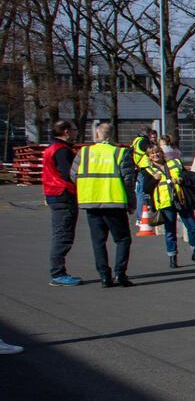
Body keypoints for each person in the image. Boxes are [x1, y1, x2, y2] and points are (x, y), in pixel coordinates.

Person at [75, 120, 138, 288]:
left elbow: (73, 174)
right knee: (123, 239)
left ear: (97, 134)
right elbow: (128, 181)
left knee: (98, 241)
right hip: (114, 202)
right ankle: (120, 273)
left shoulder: (84, 152)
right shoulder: (120, 153)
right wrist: (132, 203)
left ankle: (104, 276)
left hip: (91, 202)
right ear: (112, 136)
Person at [150, 137, 195, 268]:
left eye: (158, 152)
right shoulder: (149, 171)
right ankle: (172, 256)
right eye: (152, 153)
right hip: (165, 202)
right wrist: (153, 180)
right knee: (170, 231)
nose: (156, 155)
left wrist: (181, 179)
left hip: (181, 198)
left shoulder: (175, 162)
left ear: (162, 152)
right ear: (149, 157)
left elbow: (188, 175)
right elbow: (146, 188)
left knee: (191, 226)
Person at [43, 120, 82, 287]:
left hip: (54, 192)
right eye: (73, 130)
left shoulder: (52, 148)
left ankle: (58, 271)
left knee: (60, 232)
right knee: (63, 234)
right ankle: (58, 273)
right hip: (63, 193)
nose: (75, 133)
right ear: (66, 132)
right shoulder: (62, 151)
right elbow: (70, 174)